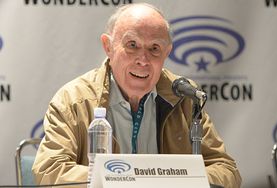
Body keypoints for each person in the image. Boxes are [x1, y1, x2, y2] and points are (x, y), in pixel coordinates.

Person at [32, 3, 241, 188]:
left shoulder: (184, 97)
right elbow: (50, 171)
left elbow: (225, 169)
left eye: (154, 48)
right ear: (108, 46)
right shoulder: (73, 99)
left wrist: (181, 179)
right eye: (132, 45)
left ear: (167, 53)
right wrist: (124, 178)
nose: (143, 59)